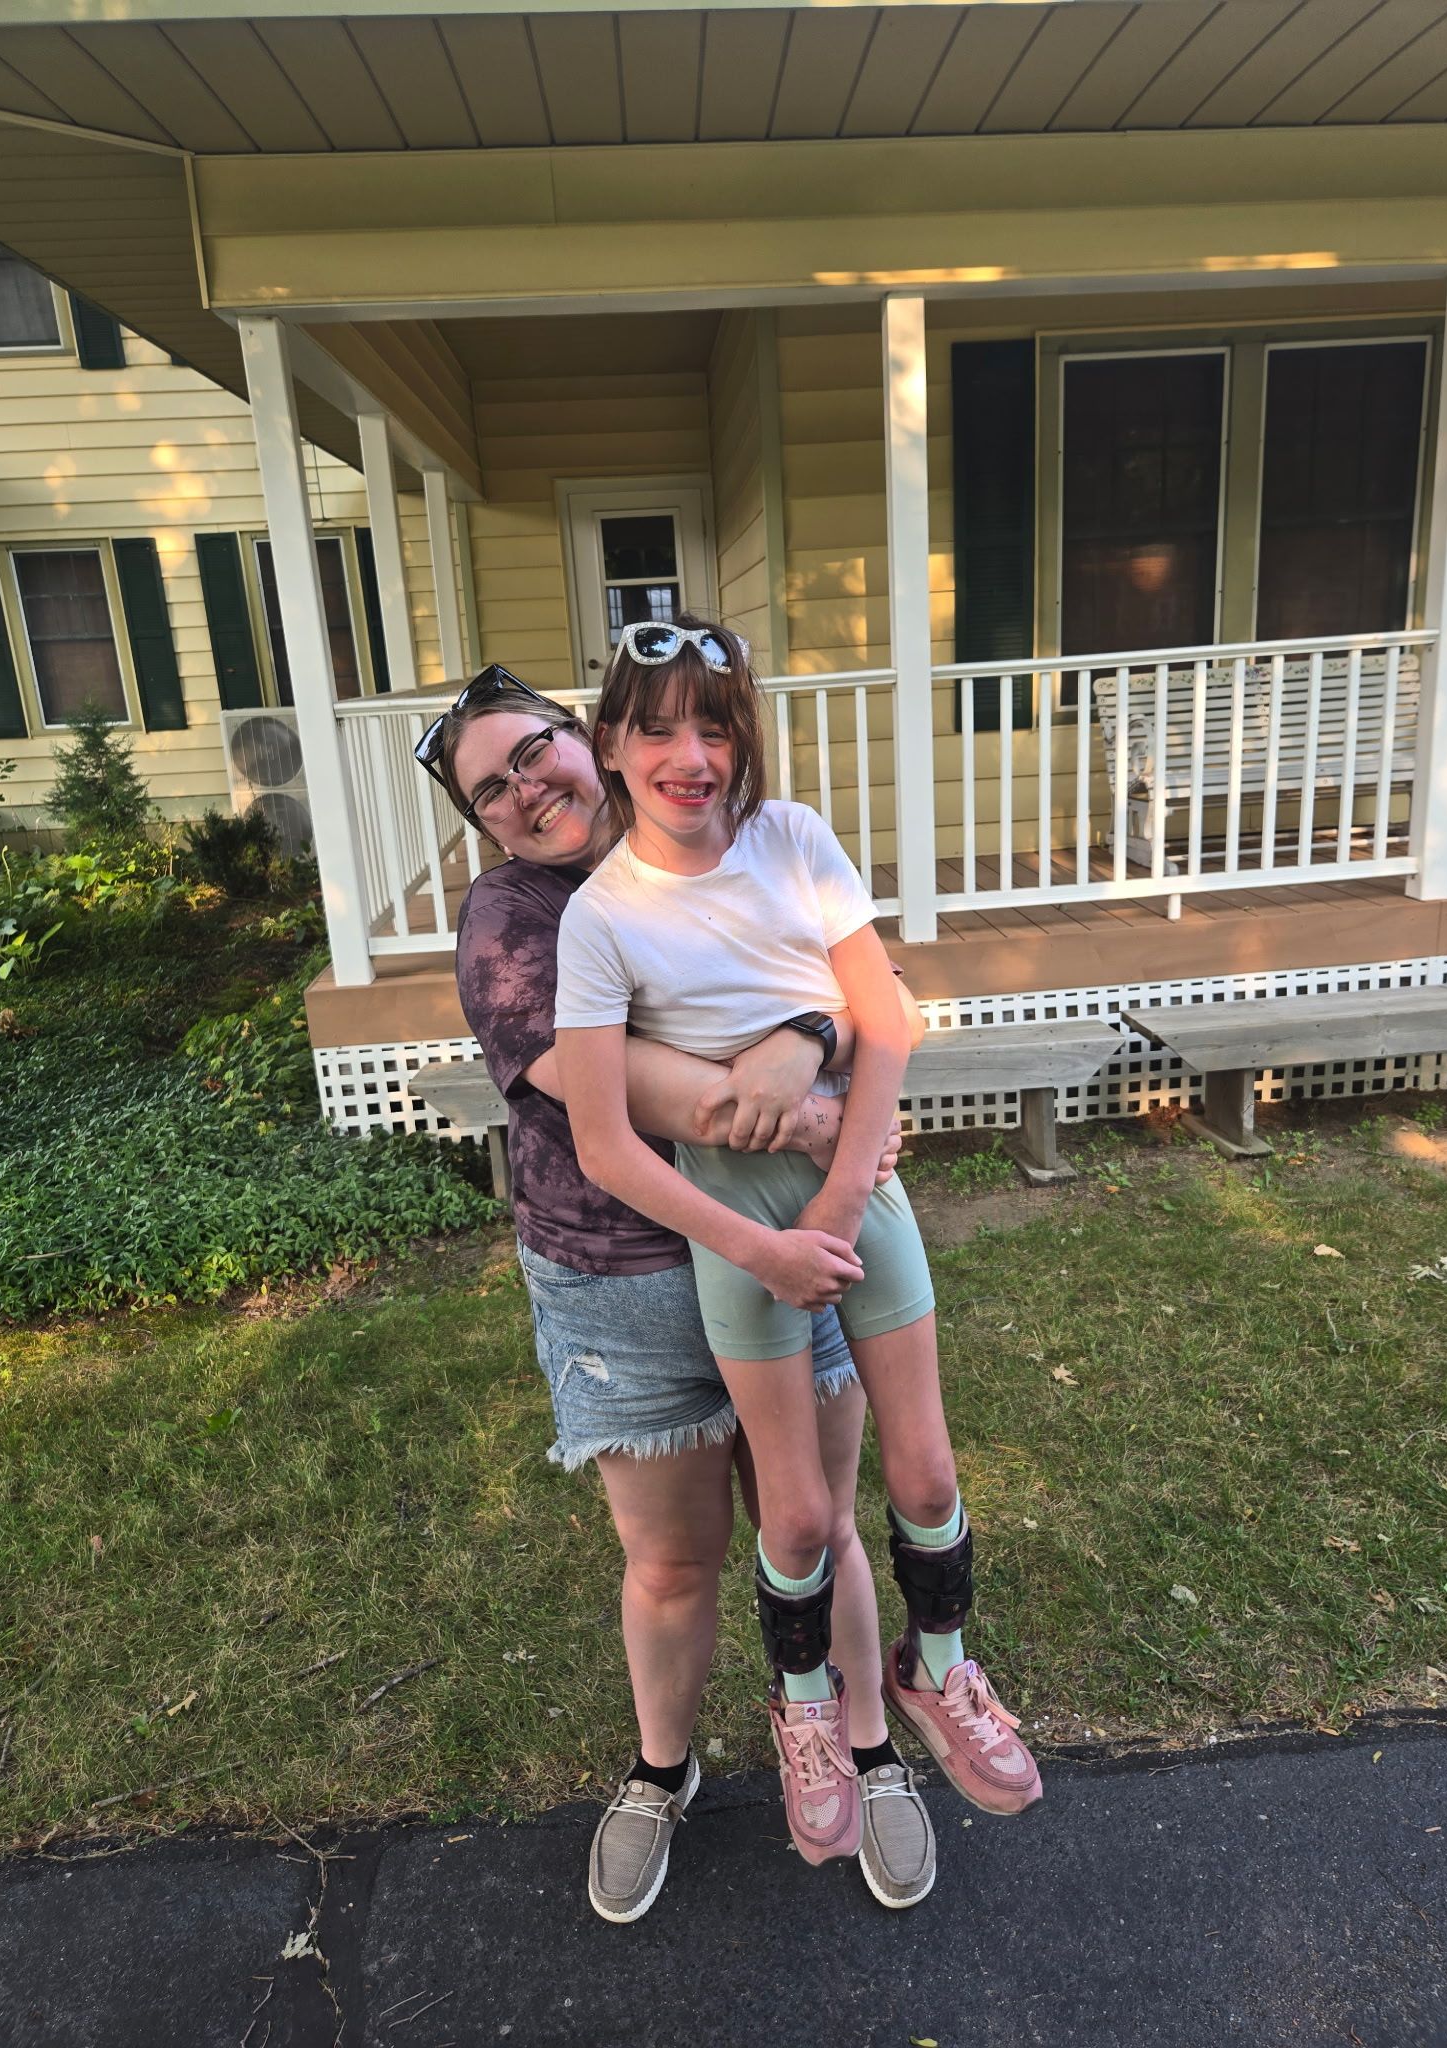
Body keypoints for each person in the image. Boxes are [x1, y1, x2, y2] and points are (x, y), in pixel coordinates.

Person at [414, 664, 937, 1919]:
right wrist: (819, 1112)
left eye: (533, 751)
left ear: (582, 736)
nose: (527, 788)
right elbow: (646, 1094)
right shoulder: (515, 921)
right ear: (484, 824)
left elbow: (871, 996)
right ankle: (663, 1770)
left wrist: (813, 1037)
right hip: (624, 1278)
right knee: (671, 1560)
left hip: (792, 1243)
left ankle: (868, 1746)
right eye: (491, 790)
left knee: (820, 1521)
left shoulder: (737, 836)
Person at [555, 618, 1043, 1862]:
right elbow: (605, 1142)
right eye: (656, 727)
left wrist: (838, 1197)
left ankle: (941, 1667)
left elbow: (885, 1019)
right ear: (609, 743)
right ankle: (808, 1704)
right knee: (801, 1509)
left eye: (714, 726)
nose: (690, 755)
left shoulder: (793, 838)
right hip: (735, 1225)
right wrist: (764, 1248)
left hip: (853, 1191)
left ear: (743, 740)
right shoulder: (599, 917)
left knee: (925, 1473)